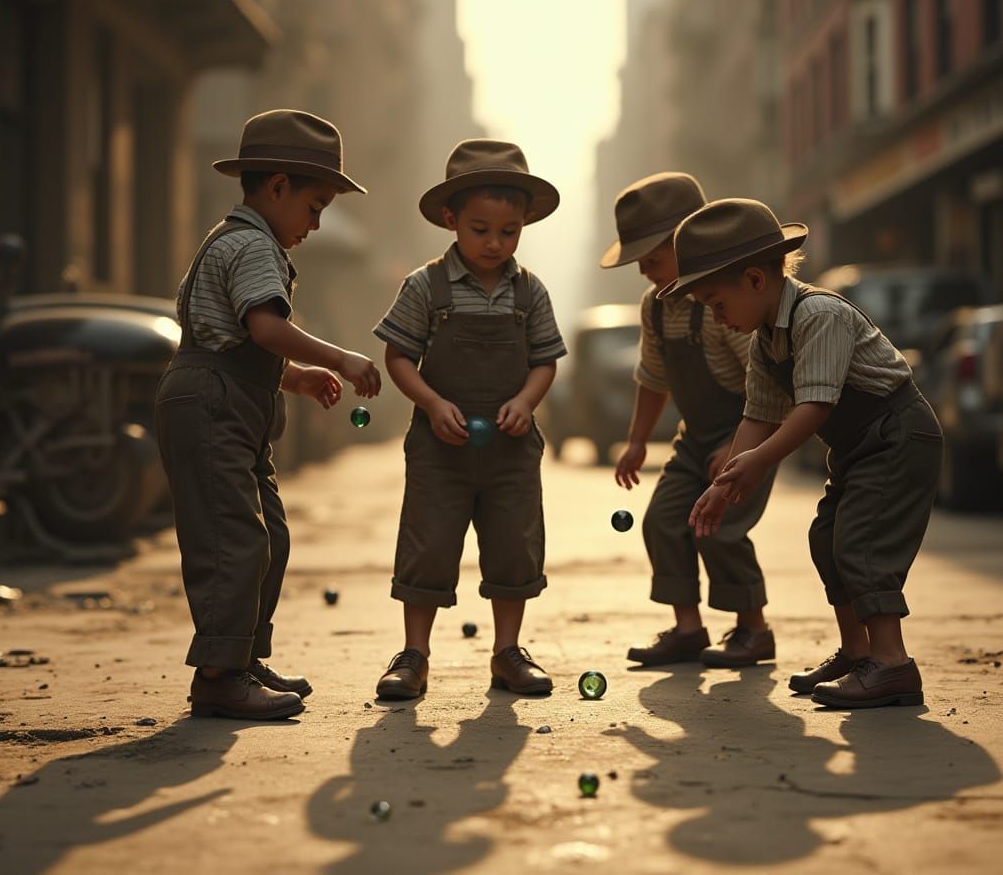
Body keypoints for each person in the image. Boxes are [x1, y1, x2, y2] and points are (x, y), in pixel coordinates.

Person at [663, 198, 943, 708]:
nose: (718, 318)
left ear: (754, 280)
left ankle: (892, 662)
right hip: (859, 448)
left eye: (718, 304)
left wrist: (760, 460)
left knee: (862, 542)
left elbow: (813, 407)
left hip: (897, 437)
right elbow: (758, 415)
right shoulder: (766, 341)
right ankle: (857, 653)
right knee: (827, 537)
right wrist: (727, 480)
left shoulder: (820, 315)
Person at [155, 109, 381, 720]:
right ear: (277, 187)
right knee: (235, 539)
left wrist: (297, 376)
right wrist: (338, 356)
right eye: (314, 206)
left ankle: (244, 655)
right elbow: (263, 325)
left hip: (233, 401)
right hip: (210, 402)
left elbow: (243, 336)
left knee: (268, 536)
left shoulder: (238, 240)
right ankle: (218, 676)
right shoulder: (252, 243)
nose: (316, 222)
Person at [372, 139, 566, 700]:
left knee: (514, 545)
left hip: (511, 448)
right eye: (480, 229)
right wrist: (432, 403)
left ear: (525, 224)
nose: (494, 243)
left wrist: (527, 401)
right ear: (451, 220)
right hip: (440, 446)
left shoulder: (530, 292)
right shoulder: (424, 286)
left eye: (508, 232)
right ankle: (414, 656)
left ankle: (507, 652)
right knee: (427, 544)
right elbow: (398, 357)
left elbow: (544, 361)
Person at [602, 174, 776, 668]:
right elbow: (653, 377)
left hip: (753, 427)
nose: (644, 271)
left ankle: (753, 629)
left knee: (719, 528)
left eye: (652, 259)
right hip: (696, 437)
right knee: (662, 519)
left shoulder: (724, 301)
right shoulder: (655, 308)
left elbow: (765, 383)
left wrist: (740, 447)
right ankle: (688, 628)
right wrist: (636, 441)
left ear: (688, 241)